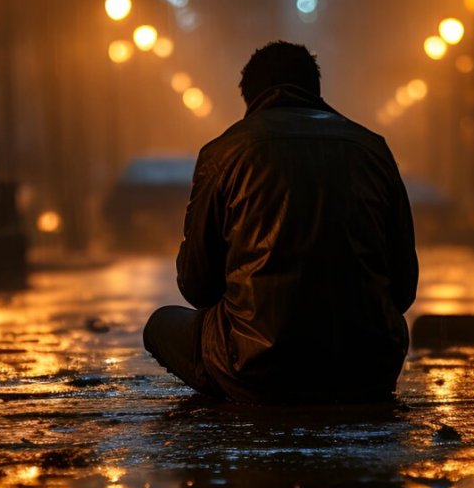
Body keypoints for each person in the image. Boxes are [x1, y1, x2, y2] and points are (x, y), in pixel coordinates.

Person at [143, 41, 418, 404]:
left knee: (160, 324)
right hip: (368, 368)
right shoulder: (373, 148)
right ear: (315, 90)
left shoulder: (224, 152)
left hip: (257, 369)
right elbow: (403, 289)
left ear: (250, 99)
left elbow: (197, 286)